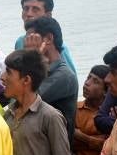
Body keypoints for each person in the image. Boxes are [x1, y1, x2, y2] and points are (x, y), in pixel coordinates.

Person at [23, 16, 78, 145]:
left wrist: (32, 58)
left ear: (48, 38)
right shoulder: (41, 71)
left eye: (32, 38)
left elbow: (24, 100)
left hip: (52, 154)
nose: (27, 44)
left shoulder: (64, 75)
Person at [13, 0, 77, 75]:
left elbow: (70, 79)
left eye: (35, 9)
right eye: (26, 8)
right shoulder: (20, 41)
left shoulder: (55, 46)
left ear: (48, 15)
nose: (28, 14)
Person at [72, 65, 110, 155]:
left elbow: (107, 145)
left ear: (106, 92)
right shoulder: (75, 108)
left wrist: (80, 135)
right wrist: (94, 142)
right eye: (88, 77)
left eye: (96, 81)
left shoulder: (110, 116)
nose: (87, 83)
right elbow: (69, 141)